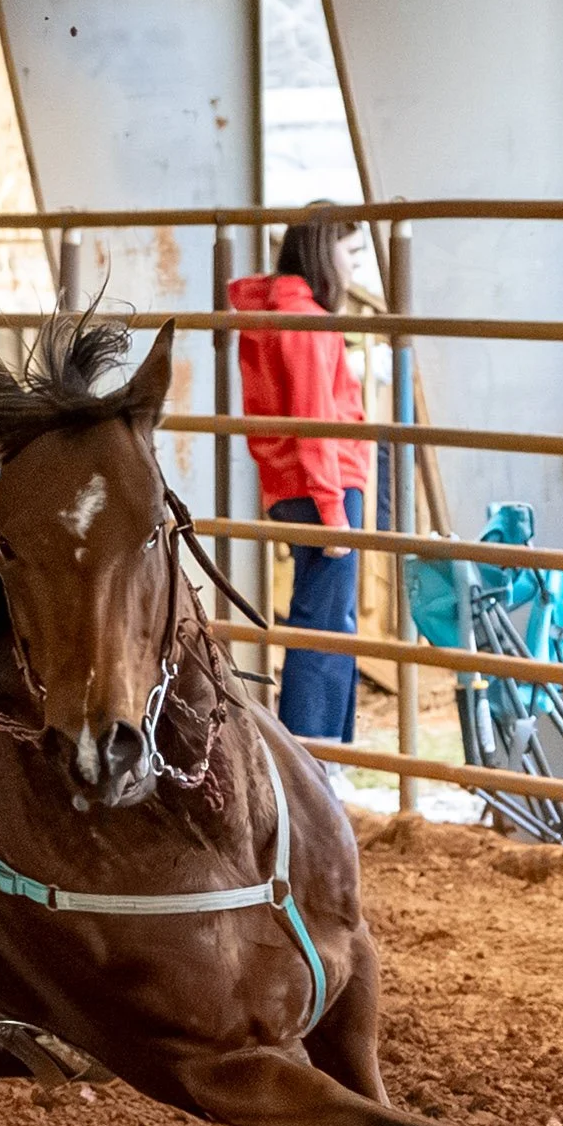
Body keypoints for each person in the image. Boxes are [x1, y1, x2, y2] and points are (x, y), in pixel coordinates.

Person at [228, 211, 376, 760]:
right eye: (350, 253)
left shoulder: (271, 315)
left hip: (294, 485)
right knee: (324, 622)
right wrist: (334, 510)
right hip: (324, 485)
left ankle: (324, 753)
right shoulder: (307, 321)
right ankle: (311, 756)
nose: (354, 267)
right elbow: (315, 419)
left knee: (326, 617)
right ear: (323, 252)